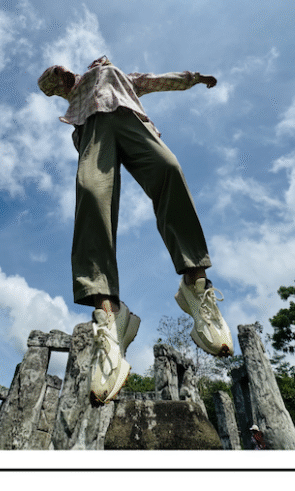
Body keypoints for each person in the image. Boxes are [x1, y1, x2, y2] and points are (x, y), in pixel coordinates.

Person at [38, 56, 233, 404]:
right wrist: (63, 74)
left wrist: (194, 77)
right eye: (96, 61)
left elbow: (161, 80)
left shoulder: (125, 78)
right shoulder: (79, 85)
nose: (101, 61)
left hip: (133, 122)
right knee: (91, 191)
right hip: (94, 129)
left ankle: (196, 284)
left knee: (169, 168)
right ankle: (110, 316)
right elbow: (46, 85)